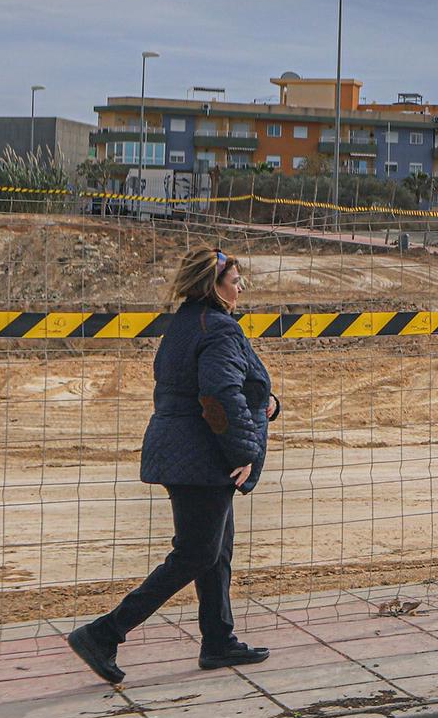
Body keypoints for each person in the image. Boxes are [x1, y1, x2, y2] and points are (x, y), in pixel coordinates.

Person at [67, 247, 279, 684]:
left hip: (184, 450)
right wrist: (245, 452)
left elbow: (203, 386)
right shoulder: (218, 329)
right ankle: (103, 633)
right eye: (235, 280)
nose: (241, 287)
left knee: (216, 549)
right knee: (196, 553)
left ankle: (218, 640)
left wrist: (266, 403)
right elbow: (219, 395)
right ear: (213, 285)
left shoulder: (184, 324)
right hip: (203, 455)